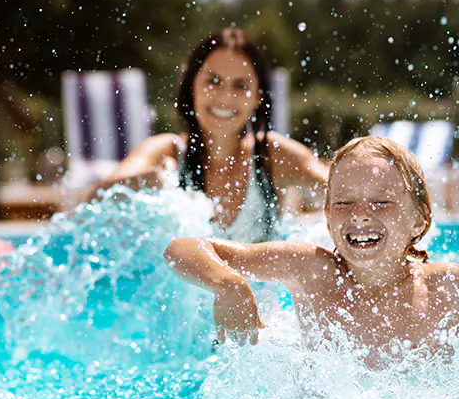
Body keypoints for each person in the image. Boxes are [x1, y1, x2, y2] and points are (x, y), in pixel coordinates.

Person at [163, 136, 459, 399]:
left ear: (419, 218)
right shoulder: (310, 271)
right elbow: (184, 248)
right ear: (325, 215)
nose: (360, 215)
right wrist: (228, 284)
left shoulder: (448, 288)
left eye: (382, 202)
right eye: (343, 202)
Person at [95, 28, 328, 242]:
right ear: (191, 86)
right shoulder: (166, 152)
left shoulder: (272, 155)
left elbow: (344, 186)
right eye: (213, 81)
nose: (225, 97)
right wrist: (145, 181)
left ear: (258, 96)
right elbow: (95, 199)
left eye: (240, 86)